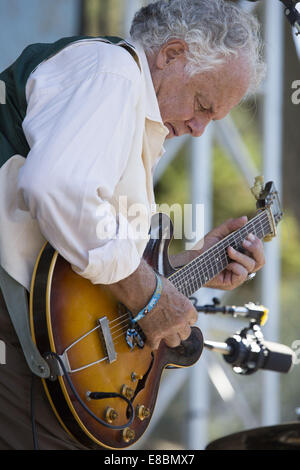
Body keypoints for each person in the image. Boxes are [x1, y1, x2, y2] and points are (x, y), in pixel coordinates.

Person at [0, 0, 266, 450]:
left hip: (36, 329)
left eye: (212, 118)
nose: (200, 129)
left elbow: (86, 247)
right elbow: (58, 189)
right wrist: (150, 294)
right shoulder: (113, 72)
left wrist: (186, 265)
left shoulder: (130, 107)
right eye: (202, 105)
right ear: (171, 54)